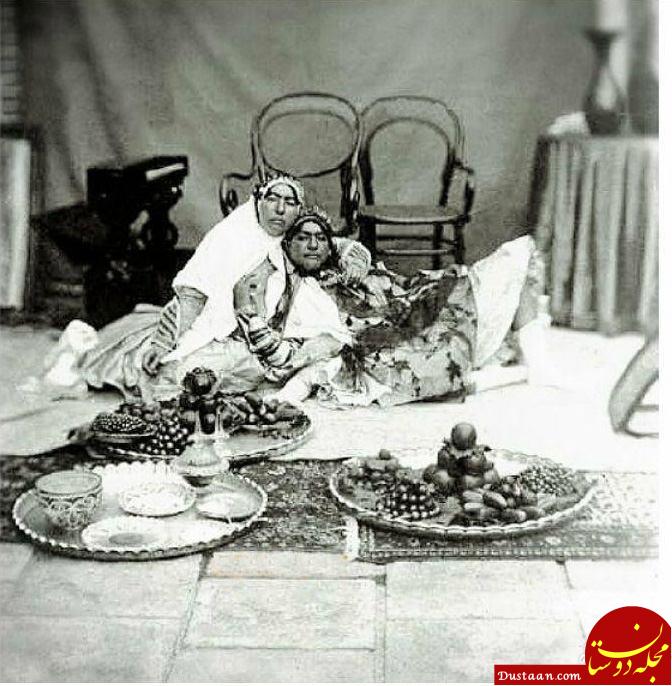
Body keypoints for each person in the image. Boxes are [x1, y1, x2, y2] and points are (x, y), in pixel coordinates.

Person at [79, 174, 369, 397]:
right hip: (215, 334)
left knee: (327, 344)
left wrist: (353, 257)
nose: (280, 209)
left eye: (290, 203)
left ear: (297, 210)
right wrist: (162, 342)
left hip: (261, 339)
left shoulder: (291, 236)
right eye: (272, 199)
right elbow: (192, 294)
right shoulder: (230, 237)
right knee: (175, 379)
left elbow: (331, 242)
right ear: (258, 201)